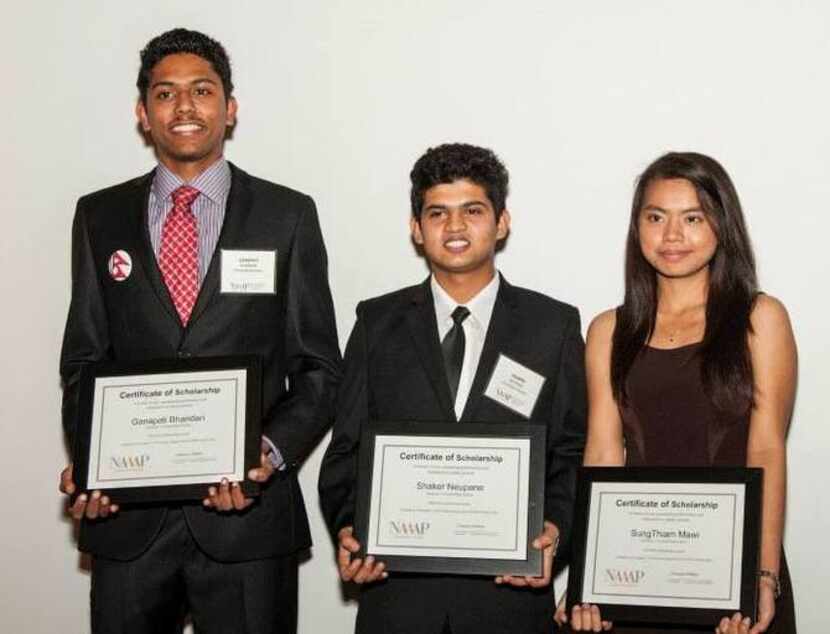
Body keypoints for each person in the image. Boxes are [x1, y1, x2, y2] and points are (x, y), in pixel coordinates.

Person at [58, 28, 341, 633]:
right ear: (143, 112)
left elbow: (319, 367)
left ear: (229, 108)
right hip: (127, 526)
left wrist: (263, 456)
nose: (184, 107)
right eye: (165, 93)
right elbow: (83, 360)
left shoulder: (287, 215)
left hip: (249, 522)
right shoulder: (98, 215)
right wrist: (93, 462)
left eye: (202, 91)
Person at [318, 142, 587, 634]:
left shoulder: (553, 326)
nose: (455, 227)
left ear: (502, 222)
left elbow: (570, 451)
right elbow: (346, 452)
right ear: (416, 229)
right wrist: (350, 529)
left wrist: (556, 532)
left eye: (473, 211)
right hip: (398, 601)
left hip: (510, 603)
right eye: (437, 213)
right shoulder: (376, 322)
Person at [559, 152, 796, 633]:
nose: (672, 236)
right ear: (637, 228)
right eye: (655, 217)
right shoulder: (609, 329)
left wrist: (764, 574)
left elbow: (767, 448)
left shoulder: (760, 318)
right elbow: (603, 453)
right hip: (636, 572)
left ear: (721, 225)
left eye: (692, 218)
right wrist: (588, 572)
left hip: (733, 574)